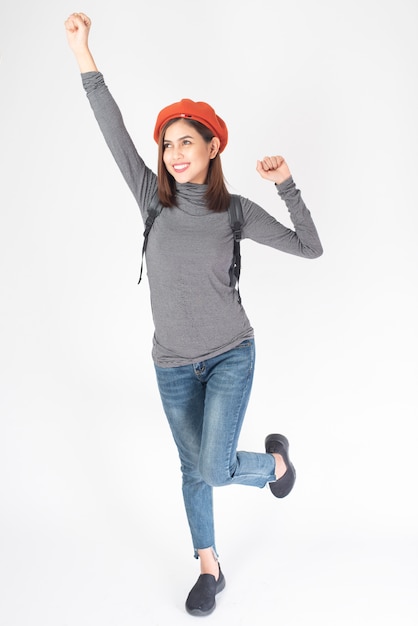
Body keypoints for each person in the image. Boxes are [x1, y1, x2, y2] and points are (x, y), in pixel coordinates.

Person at [64, 12, 323, 617]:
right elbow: (111, 126)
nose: (175, 153)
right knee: (194, 469)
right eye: (167, 143)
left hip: (231, 353)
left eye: (187, 141)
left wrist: (288, 185)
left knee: (212, 464)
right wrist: (83, 52)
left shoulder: (234, 210)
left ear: (212, 147)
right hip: (171, 365)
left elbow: (309, 247)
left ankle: (275, 463)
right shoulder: (149, 200)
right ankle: (210, 567)